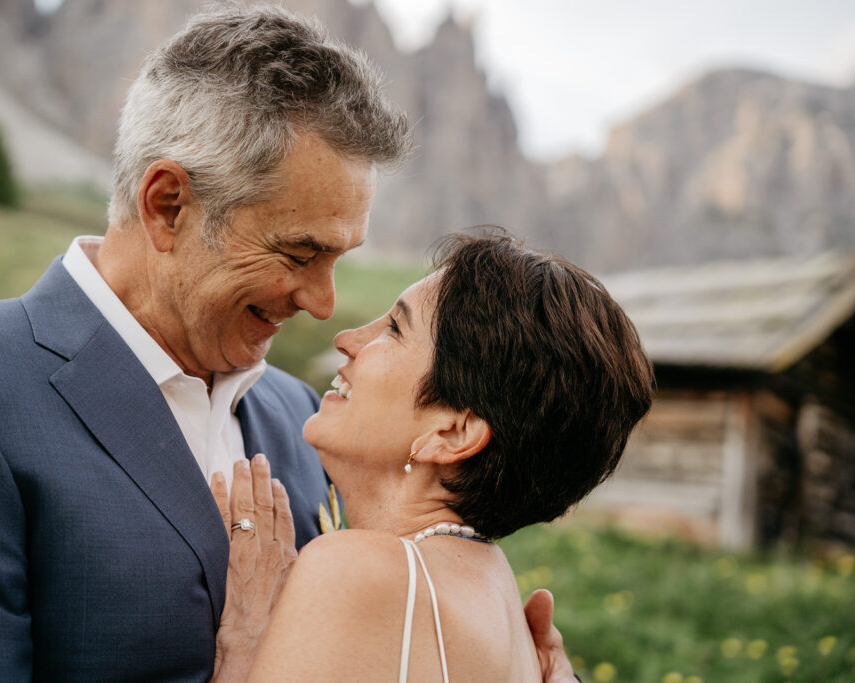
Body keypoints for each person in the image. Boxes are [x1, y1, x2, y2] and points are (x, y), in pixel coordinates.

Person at [0, 6, 576, 682]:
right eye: (297, 254)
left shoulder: (302, 416)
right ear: (168, 205)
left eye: (339, 260)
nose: (323, 305)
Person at [208, 229, 656, 681]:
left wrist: (246, 642)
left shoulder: (354, 569)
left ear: (452, 432)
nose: (347, 337)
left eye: (396, 329)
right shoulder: (500, 599)